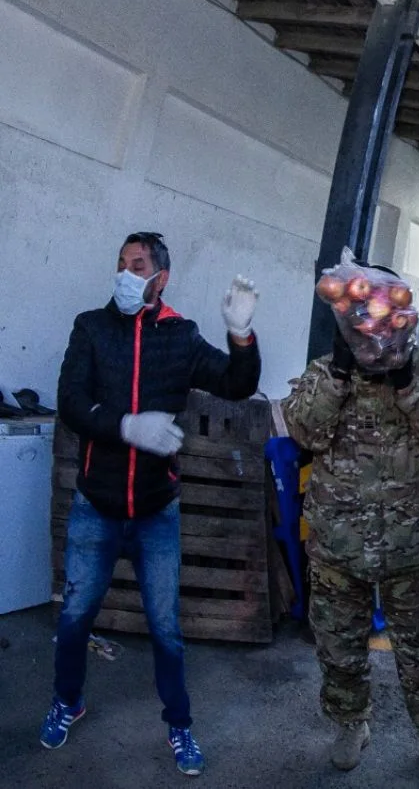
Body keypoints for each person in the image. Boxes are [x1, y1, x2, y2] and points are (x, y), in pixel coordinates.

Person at [48, 232, 262, 776]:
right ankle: (67, 700)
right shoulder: (91, 328)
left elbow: (238, 385)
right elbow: (70, 400)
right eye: (120, 262)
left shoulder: (181, 336)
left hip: (155, 512)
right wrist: (124, 425)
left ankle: (180, 726)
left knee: (166, 628)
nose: (124, 271)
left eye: (137, 264)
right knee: (75, 617)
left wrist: (241, 335)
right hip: (96, 506)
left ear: (160, 277)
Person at [281, 283, 419, 787]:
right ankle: (350, 725)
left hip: (409, 546)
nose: (375, 328)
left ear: (402, 318)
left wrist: (407, 380)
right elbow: (303, 432)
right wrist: (342, 373)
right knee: (339, 649)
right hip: (337, 545)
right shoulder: (326, 370)